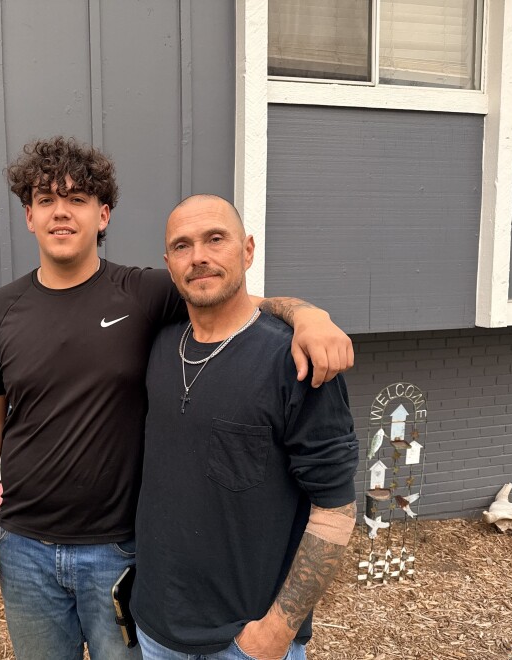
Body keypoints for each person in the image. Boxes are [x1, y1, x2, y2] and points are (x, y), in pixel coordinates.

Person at [0, 137, 354, 660]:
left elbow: (228, 294)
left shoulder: (145, 293)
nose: (61, 212)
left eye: (77, 199)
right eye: (46, 199)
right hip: (25, 545)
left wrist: (309, 315)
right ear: (28, 215)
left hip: (117, 551)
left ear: (102, 216)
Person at [131, 194, 359, 660]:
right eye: (182, 245)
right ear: (169, 264)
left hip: (246, 641)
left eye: (216, 239)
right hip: (156, 628)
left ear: (248, 249)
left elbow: (335, 511)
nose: (200, 256)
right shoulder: (159, 344)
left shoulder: (295, 363)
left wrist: (278, 631)